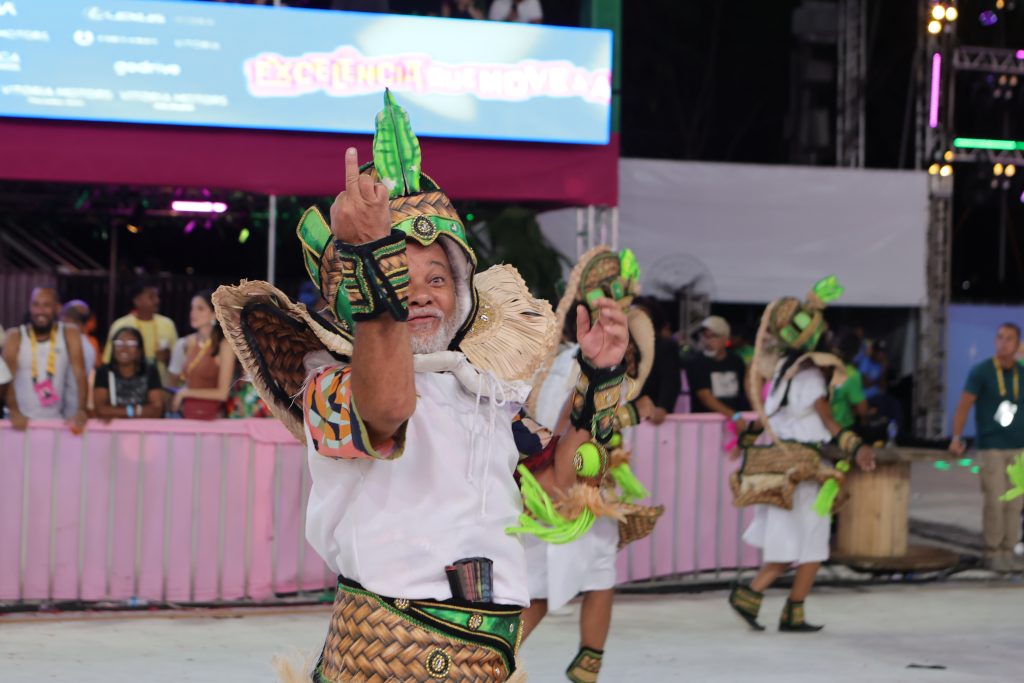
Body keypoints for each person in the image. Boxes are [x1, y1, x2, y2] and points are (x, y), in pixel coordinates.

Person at [213, 91, 628, 683]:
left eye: (438, 277)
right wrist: (370, 261)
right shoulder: (327, 383)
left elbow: (565, 482)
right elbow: (386, 410)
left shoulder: (483, 391)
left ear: (462, 292)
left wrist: (600, 376)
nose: (420, 293)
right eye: (398, 277)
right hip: (384, 651)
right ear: (358, 296)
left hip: (489, 652)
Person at [521, 246, 661, 683]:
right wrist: (634, 411)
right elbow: (579, 415)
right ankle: (491, 661)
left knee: (589, 572)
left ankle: (586, 663)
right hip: (564, 477)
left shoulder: (562, 357)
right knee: (547, 582)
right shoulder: (573, 358)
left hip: (570, 476)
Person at [727, 278, 876, 632]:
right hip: (802, 472)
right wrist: (858, 447)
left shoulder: (782, 372)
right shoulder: (809, 376)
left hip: (786, 467)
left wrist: (747, 439)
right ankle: (753, 593)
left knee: (805, 541)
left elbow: (768, 417)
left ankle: (790, 609)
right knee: (807, 541)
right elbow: (829, 422)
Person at [949, 322, 1024, 572]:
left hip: (1019, 448)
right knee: (995, 500)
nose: (1003, 343)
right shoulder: (982, 371)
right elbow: (964, 405)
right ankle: (992, 552)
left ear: (1018, 344)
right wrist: (956, 437)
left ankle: (1008, 550)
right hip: (992, 447)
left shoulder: (1021, 373)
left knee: (1015, 503)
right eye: (1000, 337)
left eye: (1009, 338)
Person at [2, 287, 88, 433]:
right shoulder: (14, 336)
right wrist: (14, 411)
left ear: (57, 308)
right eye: (36, 305)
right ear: (30, 307)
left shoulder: (70, 333)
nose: (40, 311)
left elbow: (80, 374)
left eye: (46, 305)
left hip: (55, 422)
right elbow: (7, 378)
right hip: (18, 423)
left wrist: (81, 409)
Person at [169, 290, 236, 420]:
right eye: (192, 308)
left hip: (210, 417)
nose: (193, 313)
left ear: (214, 314)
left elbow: (222, 394)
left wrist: (185, 393)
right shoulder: (188, 342)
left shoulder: (224, 346)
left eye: (200, 308)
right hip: (184, 413)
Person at [103, 280, 179, 386]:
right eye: (151, 297)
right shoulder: (121, 325)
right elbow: (108, 361)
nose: (157, 301)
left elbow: (178, 363)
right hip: (127, 386)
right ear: (137, 301)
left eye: (157, 296)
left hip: (161, 387)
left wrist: (168, 358)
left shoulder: (167, 324)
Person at [687, 315, 751, 427]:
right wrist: (734, 416)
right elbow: (705, 397)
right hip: (704, 424)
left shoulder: (736, 361)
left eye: (713, 336)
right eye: (705, 336)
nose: (707, 341)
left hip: (736, 423)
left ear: (725, 338)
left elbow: (745, 391)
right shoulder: (696, 362)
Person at [92, 327, 164, 420]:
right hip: (114, 427)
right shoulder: (104, 371)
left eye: (131, 344)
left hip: (144, 427)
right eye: (119, 343)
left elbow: (156, 410)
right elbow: (100, 410)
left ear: (139, 350)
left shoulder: (150, 370)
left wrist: (115, 411)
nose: (124, 348)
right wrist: (135, 411)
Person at [632, 296, 681, 424]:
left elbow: (670, 380)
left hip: (651, 414)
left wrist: (663, 407)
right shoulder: (619, 344)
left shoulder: (665, 346)